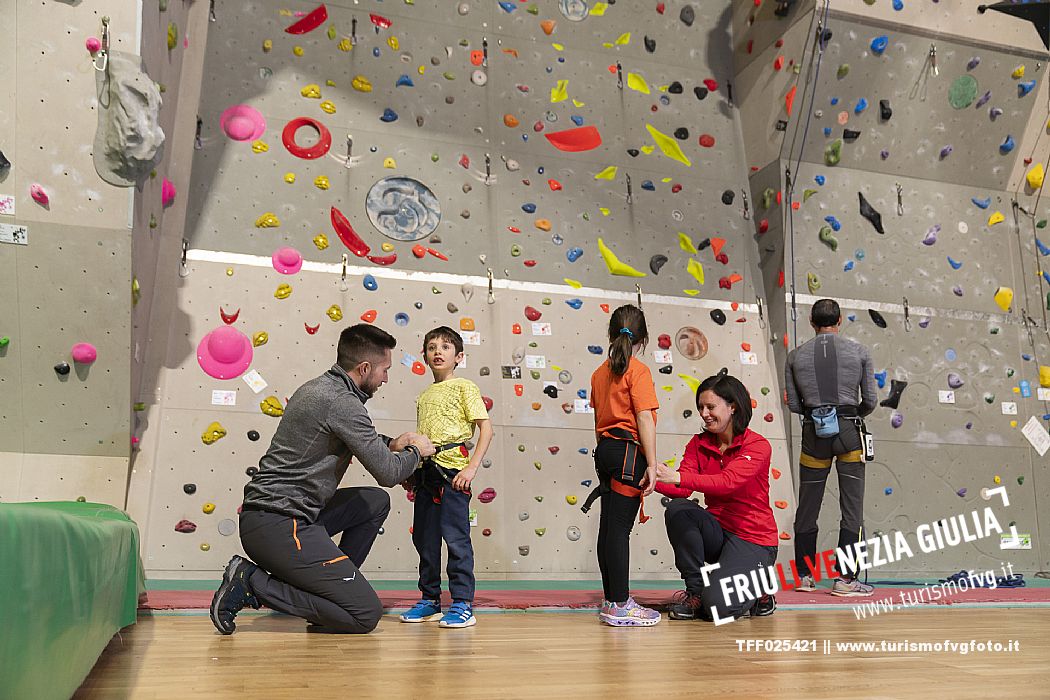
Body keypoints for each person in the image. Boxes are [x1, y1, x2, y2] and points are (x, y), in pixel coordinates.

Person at [209, 323, 436, 635]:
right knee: (364, 614)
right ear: (365, 367)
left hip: (277, 518)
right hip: (280, 524)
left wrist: (393, 443)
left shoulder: (323, 388)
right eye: (384, 369)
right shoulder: (341, 402)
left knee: (373, 502)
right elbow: (389, 473)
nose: (386, 378)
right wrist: (416, 451)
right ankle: (252, 582)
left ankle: (332, 598)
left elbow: (360, 438)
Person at [654, 372, 780, 621]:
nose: (704, 413)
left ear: (732, 406)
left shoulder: (757, 445)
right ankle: (696, 592)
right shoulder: (698, 443)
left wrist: (675, 476)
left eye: (710, 406)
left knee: (717, 610)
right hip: (718, 532)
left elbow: (727, 483)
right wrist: (648, 480)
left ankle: (762, 587)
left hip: (753, 539)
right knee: (678, 509)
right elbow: (683, 489)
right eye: (700, 407)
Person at [399, 326, 493, 628]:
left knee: (456, 540)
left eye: (446, 347)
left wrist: (471, 468)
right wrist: (412, 472)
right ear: (425, 356)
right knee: (424, 540)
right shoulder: (424, 395)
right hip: (426, 473)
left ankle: (463, 603)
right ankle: (429, 600)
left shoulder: (465, 387)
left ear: (459, 356)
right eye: (431, 347)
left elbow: (486, 429)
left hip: (453, 474)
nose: (438, 351)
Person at [785, 298, 877, 597]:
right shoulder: (860, 352)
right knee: (852, 509)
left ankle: (804, 576)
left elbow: (795, 405)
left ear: (812, 322)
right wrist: (850, 417)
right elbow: (871, 400)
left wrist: (818, 415)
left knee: (807, 507)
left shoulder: (794, 356)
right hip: (849, 433)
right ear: (839, 322)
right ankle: (845, 579)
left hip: (814, 435)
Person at [586, 304, 661, 626]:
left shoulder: (599, 373)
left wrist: (605, 451)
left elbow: (597, 418)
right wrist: (654, 463)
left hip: (606, 450)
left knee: (609, 529)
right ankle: (619, 604)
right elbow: (644, 416)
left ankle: (611, 598)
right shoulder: (638, 370)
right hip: (628, 452)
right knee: (619, 530)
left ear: (610, 334)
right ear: (643, 338)